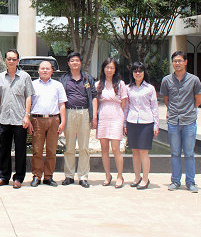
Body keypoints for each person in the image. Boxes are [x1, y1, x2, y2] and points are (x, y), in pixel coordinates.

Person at [160, 51, 201, 193]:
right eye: (175, 61)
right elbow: (166, 99)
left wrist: (188, 111)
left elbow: (198, 100)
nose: (177, 63)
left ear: (185, 62)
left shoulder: (194, 80)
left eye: (180, 61)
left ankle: (190, 182)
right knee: (175, 153)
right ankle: (175, 181)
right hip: (173, 121)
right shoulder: (166, 80)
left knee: (189, 153)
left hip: (189, 121)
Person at [0, 49, 34, 189]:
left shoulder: (25, 77)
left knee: (20, 151)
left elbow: (28, 97)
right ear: (5, 60)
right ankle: (4, 177)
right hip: (4, 119)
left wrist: (27, 115)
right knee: (4, 150)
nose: (11, 61)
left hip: (20, 119)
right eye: (9, 59)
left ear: (18, 61)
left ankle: (18, 178)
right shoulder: (0, 77)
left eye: (14, 59)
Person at [60, 52, 98, 188]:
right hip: (69, 113)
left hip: (84, 113)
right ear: (68, 63)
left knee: (84, 147)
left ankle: (83, 176)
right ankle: (69, 175)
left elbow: (94, 96)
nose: (75, 63)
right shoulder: (64, 79)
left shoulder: (87, 78)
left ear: (80, 63)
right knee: (69, 147)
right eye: (72, 60)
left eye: (77, 60)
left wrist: (94, 116)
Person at [29, 61, 67, 187]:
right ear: (38, 71)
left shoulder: (58, 85)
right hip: (37, 120)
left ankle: (48, 176)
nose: (45, 70)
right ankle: (36, 176)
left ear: (52, 71)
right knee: (37, 150)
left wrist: (63, 122)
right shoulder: (33, 84)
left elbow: (62, 104)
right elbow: (28, 103)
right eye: (42, 68)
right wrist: (28, 120)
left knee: (51, 151)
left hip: (53, 120)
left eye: (47, 68)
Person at [125, 62, 159, 190]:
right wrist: (124, 123)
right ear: (132, 73)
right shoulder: (128, 88)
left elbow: (154, 107)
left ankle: (145, 179)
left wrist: (156, 124)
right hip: (132, 121)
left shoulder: (150, 88)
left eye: (140, 71)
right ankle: (137, 177)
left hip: (146, 122)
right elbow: (126, 107)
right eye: (135, 71)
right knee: (135, 152)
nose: (138, 73)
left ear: (144, 73)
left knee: (144, 152)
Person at [95, 58, 128, 188]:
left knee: (115, 149)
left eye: (112, 68)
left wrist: (122, 119)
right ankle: (107, 175)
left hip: (116, 117)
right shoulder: (98, 84)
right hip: (103, 117)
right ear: (103, 69)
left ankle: (120, 176)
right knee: (104, 149)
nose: (109, 70)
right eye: (107, 67)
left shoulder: (120, 84)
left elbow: (124, 104)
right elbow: (96, 102)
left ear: (115, 70)